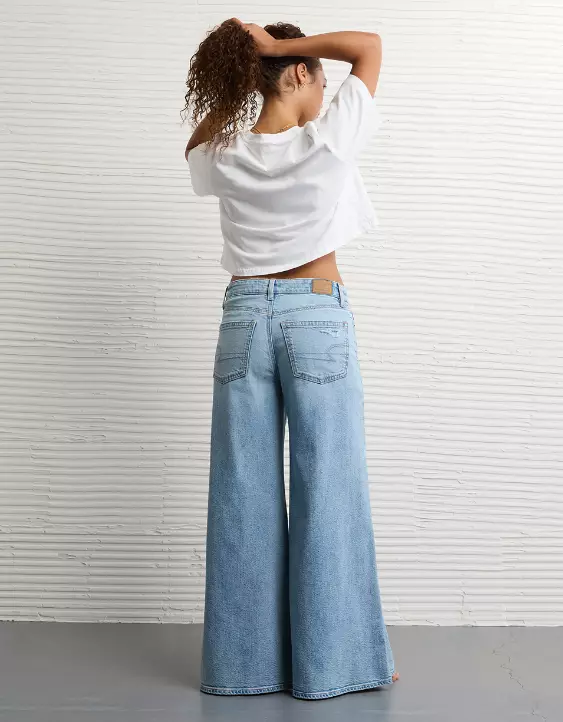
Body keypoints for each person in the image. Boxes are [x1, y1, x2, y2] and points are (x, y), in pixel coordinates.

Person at [183, 18, 399, 701]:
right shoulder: (326, 139)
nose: (325, 91)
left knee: (240, 494)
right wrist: (277, 47)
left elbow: (195, 144)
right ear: (300, 72)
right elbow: (368, 46)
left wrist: (243, 74)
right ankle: (333, 665)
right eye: (319, 79)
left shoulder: (224, 152)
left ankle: (240, 669)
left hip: (243, 318)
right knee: (329, 487)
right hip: (315, 316)